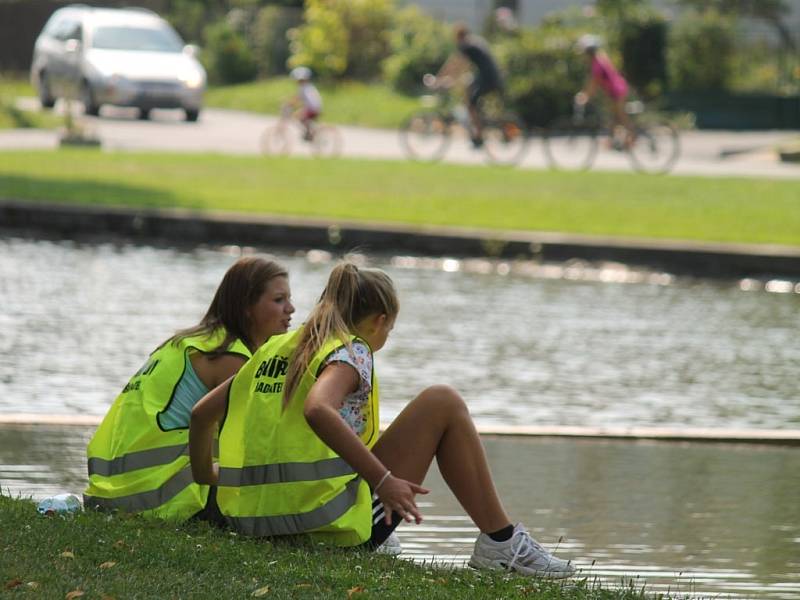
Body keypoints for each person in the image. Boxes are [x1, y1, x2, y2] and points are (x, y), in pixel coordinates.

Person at [190, 262, 575, 578]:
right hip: (323, 525)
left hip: (255, 522)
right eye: (390, 328)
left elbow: (201, 415)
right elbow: (317, 409)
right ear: (379, 320)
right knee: (443, 401)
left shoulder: (276, 349)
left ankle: (498, 542)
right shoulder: (350, 350)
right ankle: (502, 542)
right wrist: (383, 480)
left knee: (380, 428)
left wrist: (210, 478)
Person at [84, 256, 295, 522]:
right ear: (246, 307)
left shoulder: (188, 342)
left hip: (110, 493)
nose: (291, 308)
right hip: (165, 497)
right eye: (279, 300)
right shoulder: (232, 359)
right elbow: (261, 440)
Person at [435, 23, 504, 148]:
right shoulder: (475, 42)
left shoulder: (466, 45)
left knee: (471, 104)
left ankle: (478, 135)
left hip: (488, 79)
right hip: (490, 77)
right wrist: (452, 79)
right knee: (467, 88)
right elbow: (464, 67)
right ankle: (474, 123)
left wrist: (439, 79)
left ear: (459, 36)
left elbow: (454, 64)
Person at [574, 34, 634, 148]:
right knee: (613, 116)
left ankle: (632, 138)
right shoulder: (600, 58)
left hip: (617, 90)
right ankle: (612, 141)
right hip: (615, 90)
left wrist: (585, 96)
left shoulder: (597, 63)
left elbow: (594, 83)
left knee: (621, 116)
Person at [287, 66, 323, 142]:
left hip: (313, 109)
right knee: (299, 116)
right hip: (313, 108)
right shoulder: (307, 87)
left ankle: (310, 133)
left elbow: (297, 98)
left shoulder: (304, 87)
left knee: (298, 116)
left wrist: (290, 104)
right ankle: (309, 131)